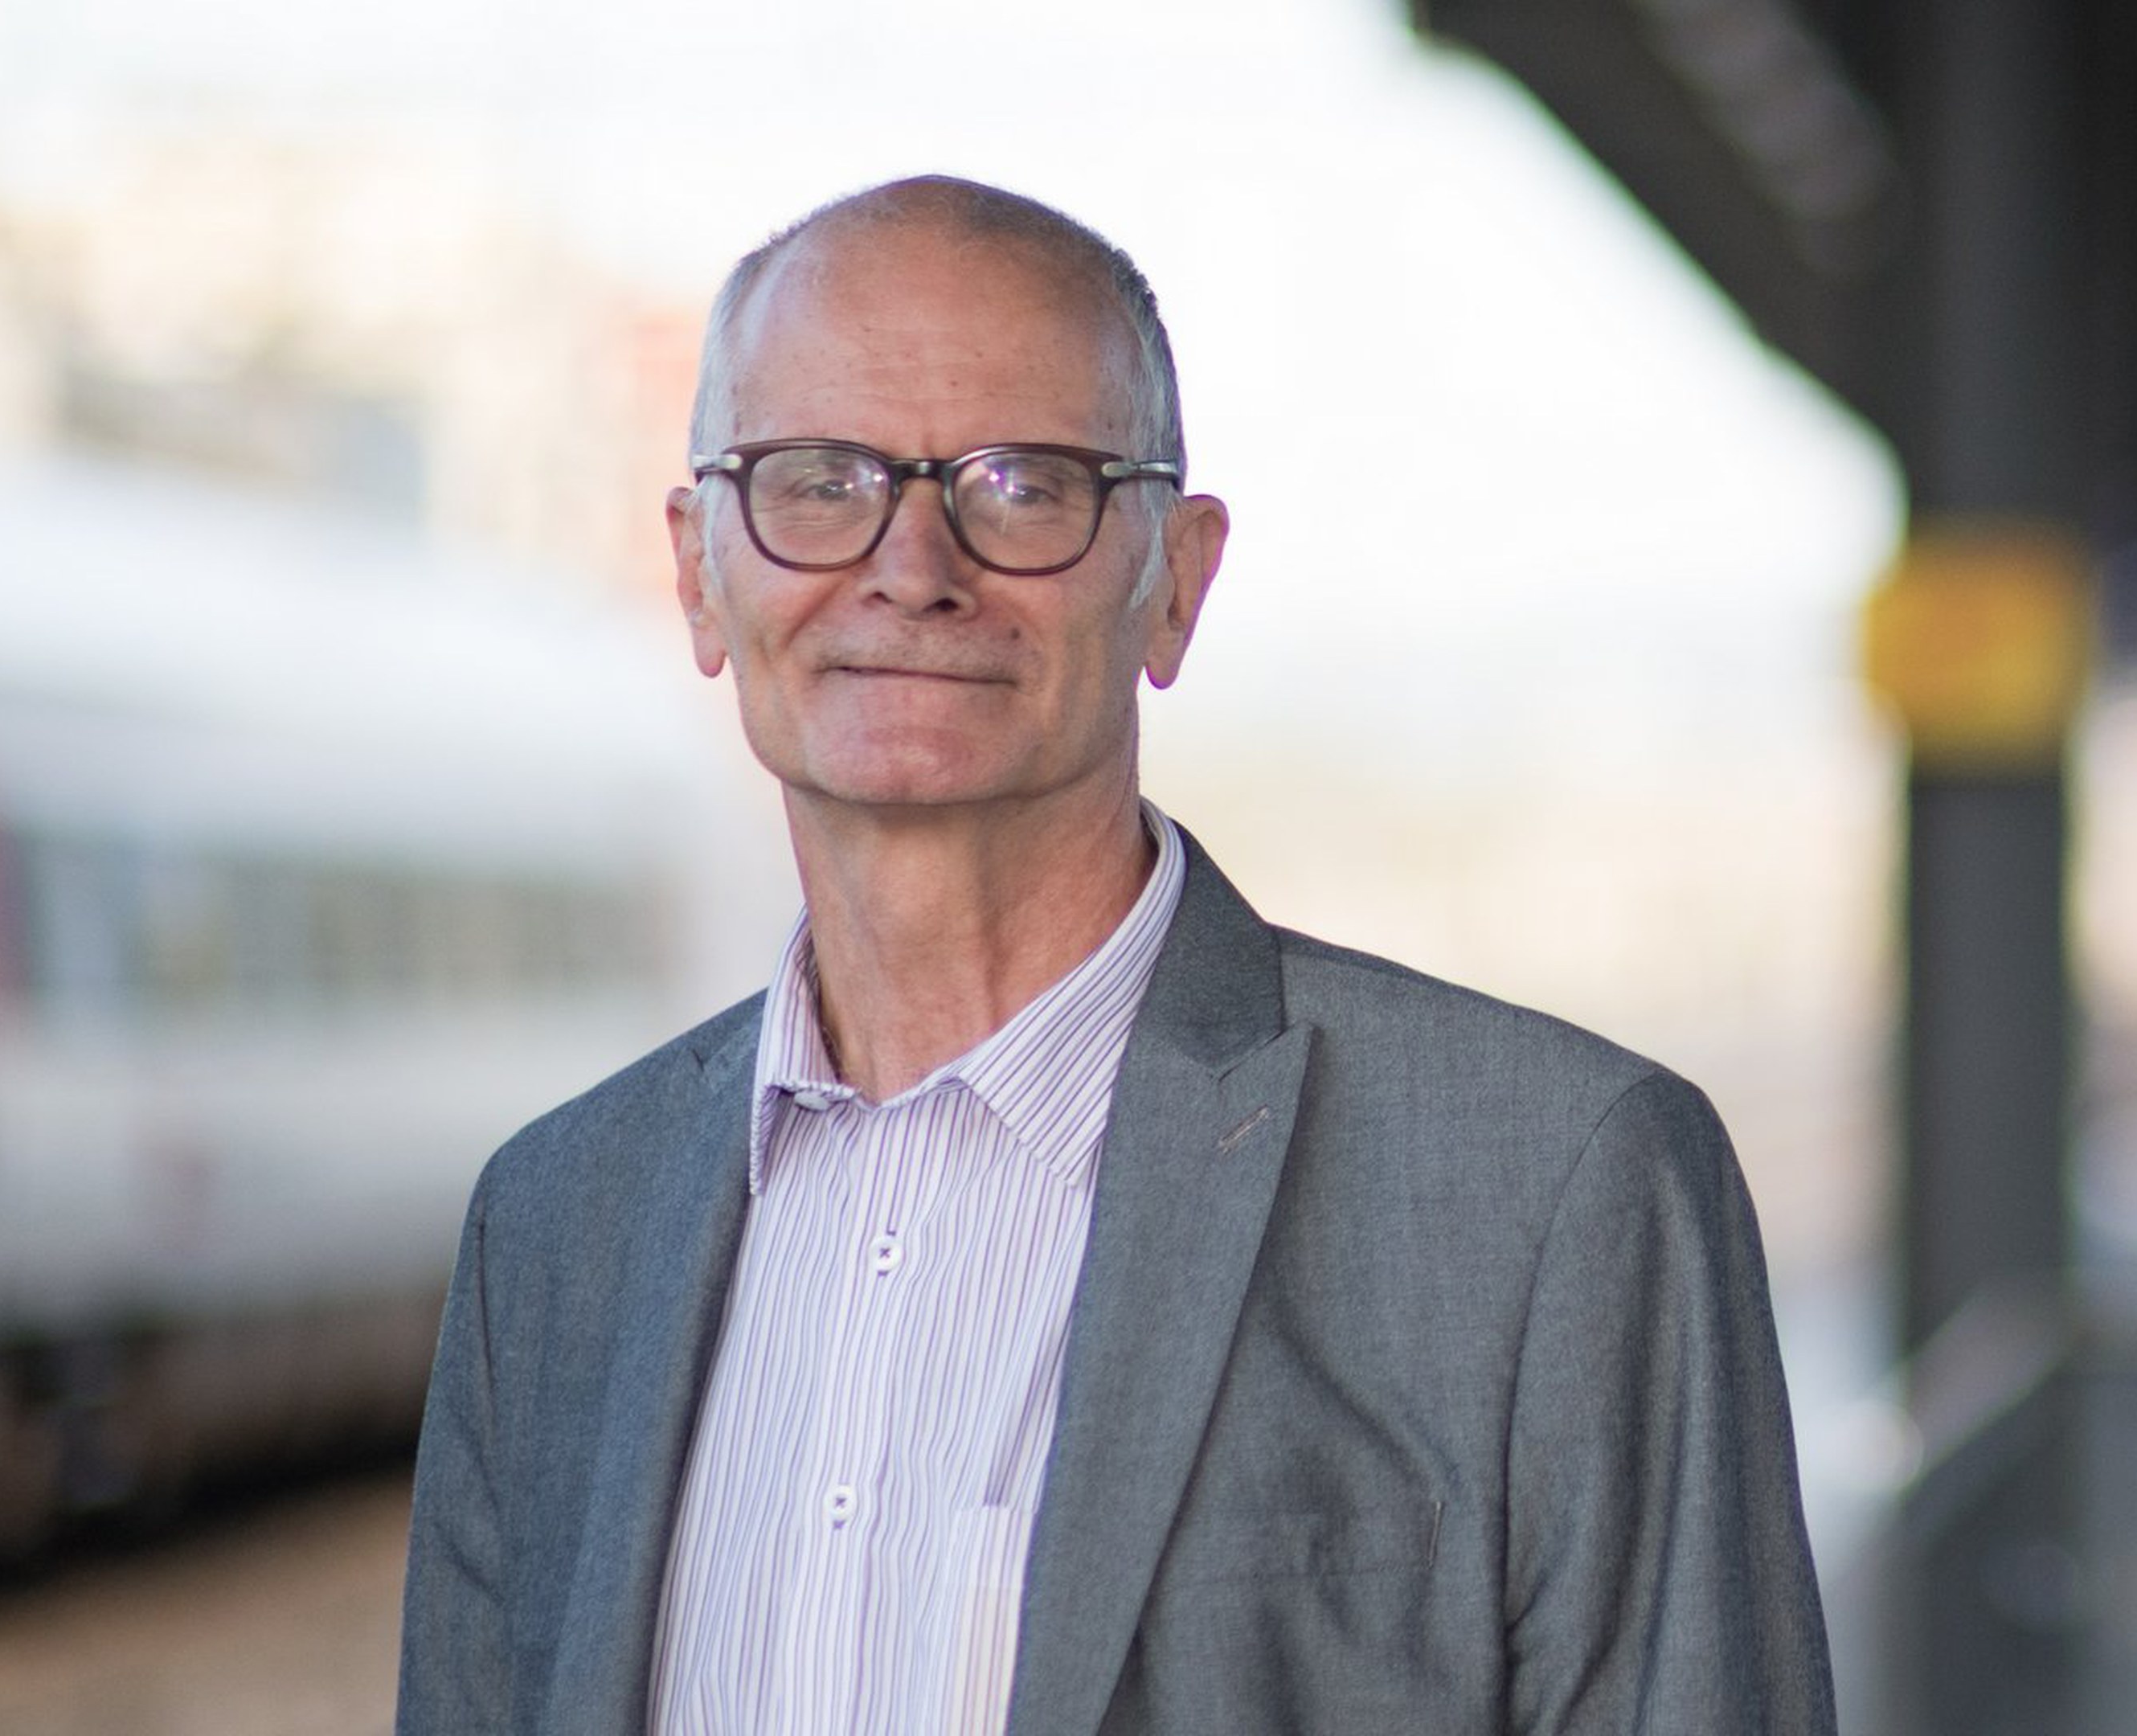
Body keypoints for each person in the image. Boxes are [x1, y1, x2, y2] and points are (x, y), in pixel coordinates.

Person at [396, 174, 1836, 1735]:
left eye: (1024, 487)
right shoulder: (555, 1226)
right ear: (697, 571)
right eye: (817, 481)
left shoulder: (1560, 1189)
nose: (913, 564)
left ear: (1177, 581)